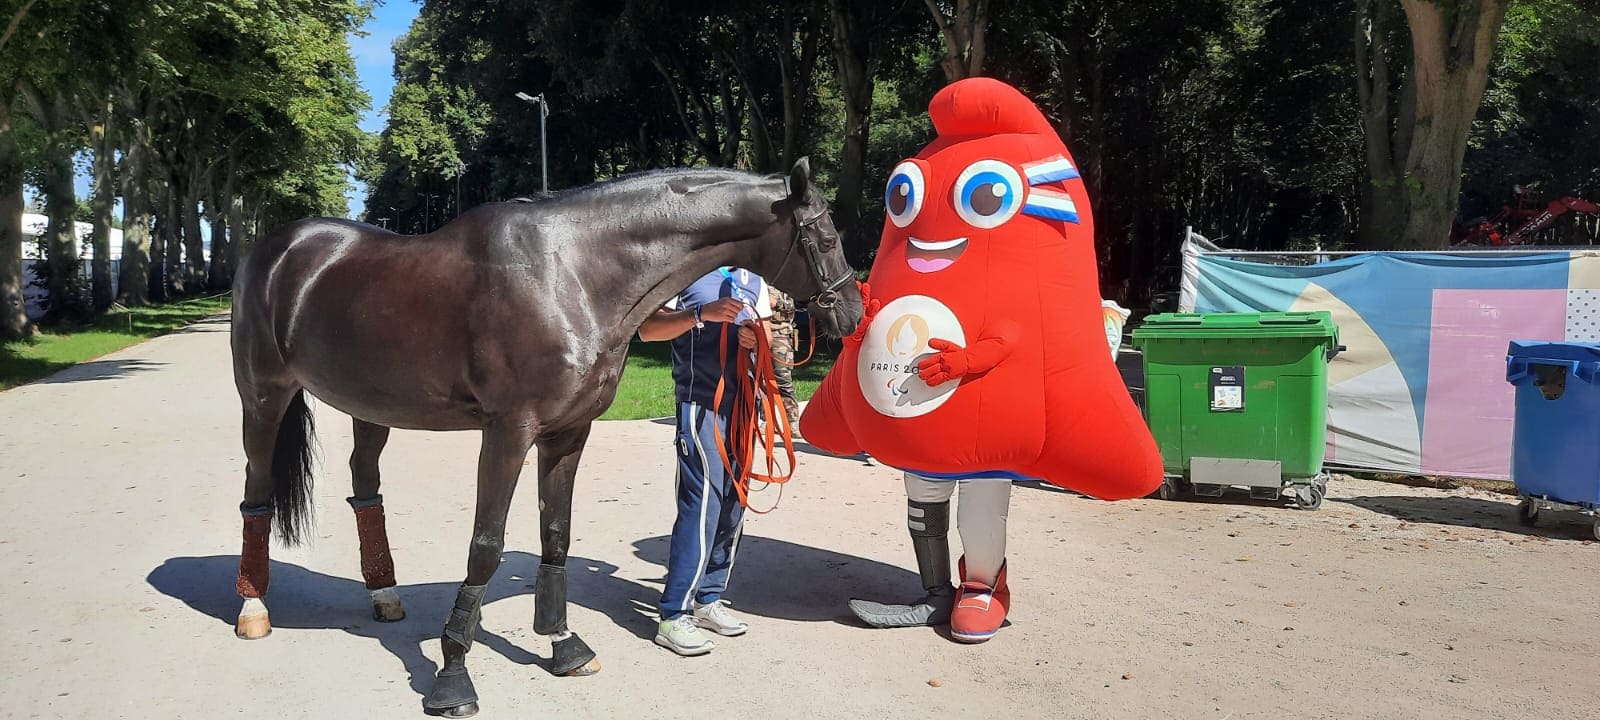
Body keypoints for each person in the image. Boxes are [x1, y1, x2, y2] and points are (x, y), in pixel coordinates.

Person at [637, 266, 774, 656]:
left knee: (733, 507)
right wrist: (700, 315)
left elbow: (768, 341)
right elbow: (648, 329)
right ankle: (673, 615)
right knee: (703, 507)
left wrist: (756, 339)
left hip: (744, 408)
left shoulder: (754, 279)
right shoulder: (686, 271)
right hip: (701, 405)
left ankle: (708, 597)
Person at [767, 287, 800, 428]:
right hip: (756, 333)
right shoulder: (756, 279)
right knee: (761, 381)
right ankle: (766, 420)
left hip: (779, 335)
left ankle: (792, 420)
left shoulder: (782, 281)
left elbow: (793, 306)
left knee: (783, 379)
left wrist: (776, 302)